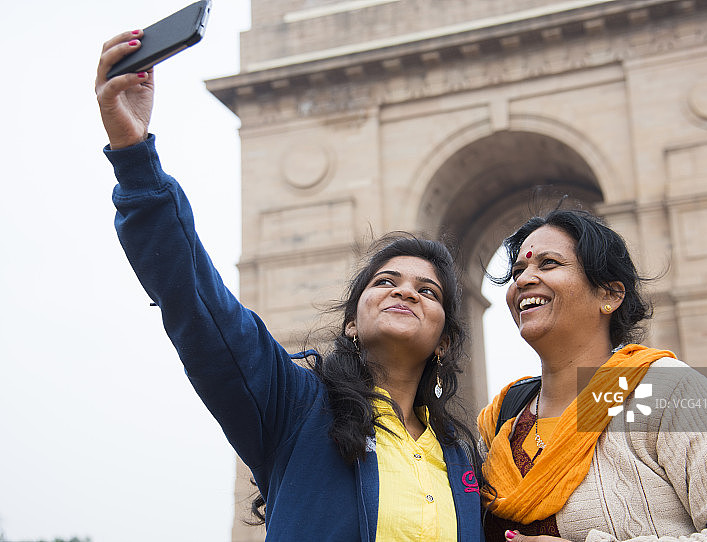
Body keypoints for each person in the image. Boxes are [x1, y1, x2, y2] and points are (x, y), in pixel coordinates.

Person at [95, 31, 484, 541]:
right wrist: (134, 156)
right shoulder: (293, 407)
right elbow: (196, 299)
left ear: (447, 341)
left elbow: (585, 449)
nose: (405, 291)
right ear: (350, 324)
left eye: (427, 291)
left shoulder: (465, 455)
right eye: (385, 281)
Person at [477, 207, 707, 542]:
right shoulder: (501, 419)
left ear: (610, 295)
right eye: (518, 270)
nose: (523, 280)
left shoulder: (663, 391)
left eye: (548, 263)